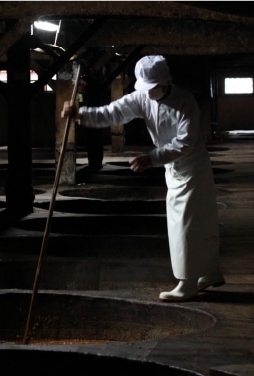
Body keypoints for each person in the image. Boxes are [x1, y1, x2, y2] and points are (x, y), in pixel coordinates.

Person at [61, 55, 224, 302]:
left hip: (192, 167)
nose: (149, 93)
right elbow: (112, 113)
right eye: (146, 89)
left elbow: (186, 141)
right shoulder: (142, 98)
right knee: (196, 221)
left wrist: (152, 158)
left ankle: (187, 282)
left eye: (154, 88)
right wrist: (81, 114)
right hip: (172, 167)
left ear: (167, 82)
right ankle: (209, 272)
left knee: (187, 224)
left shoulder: (185, 102)